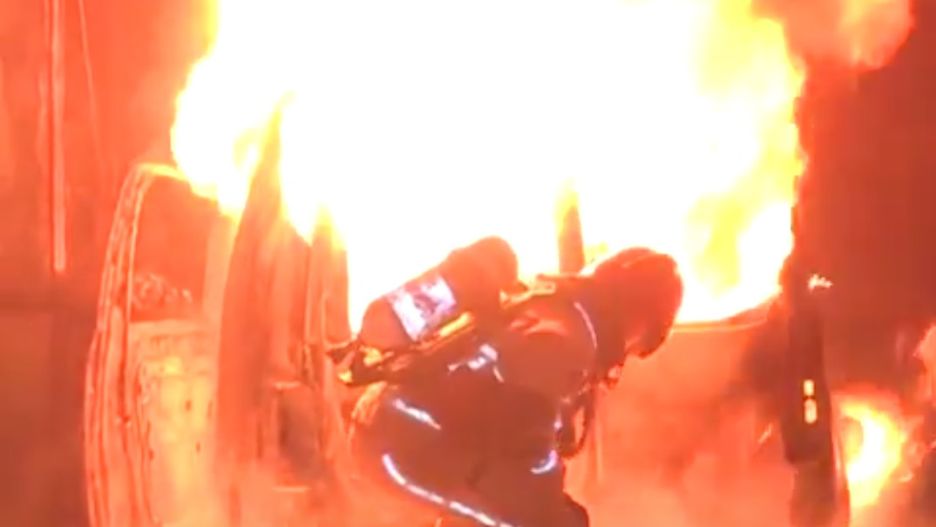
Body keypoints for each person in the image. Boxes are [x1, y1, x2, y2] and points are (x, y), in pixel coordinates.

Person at [347, 247, 683, 526]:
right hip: (408, 448)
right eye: (638, 344)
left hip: (390, 424)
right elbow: (528, 457)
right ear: (639, 324)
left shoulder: (545, 302)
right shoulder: (567, 342)